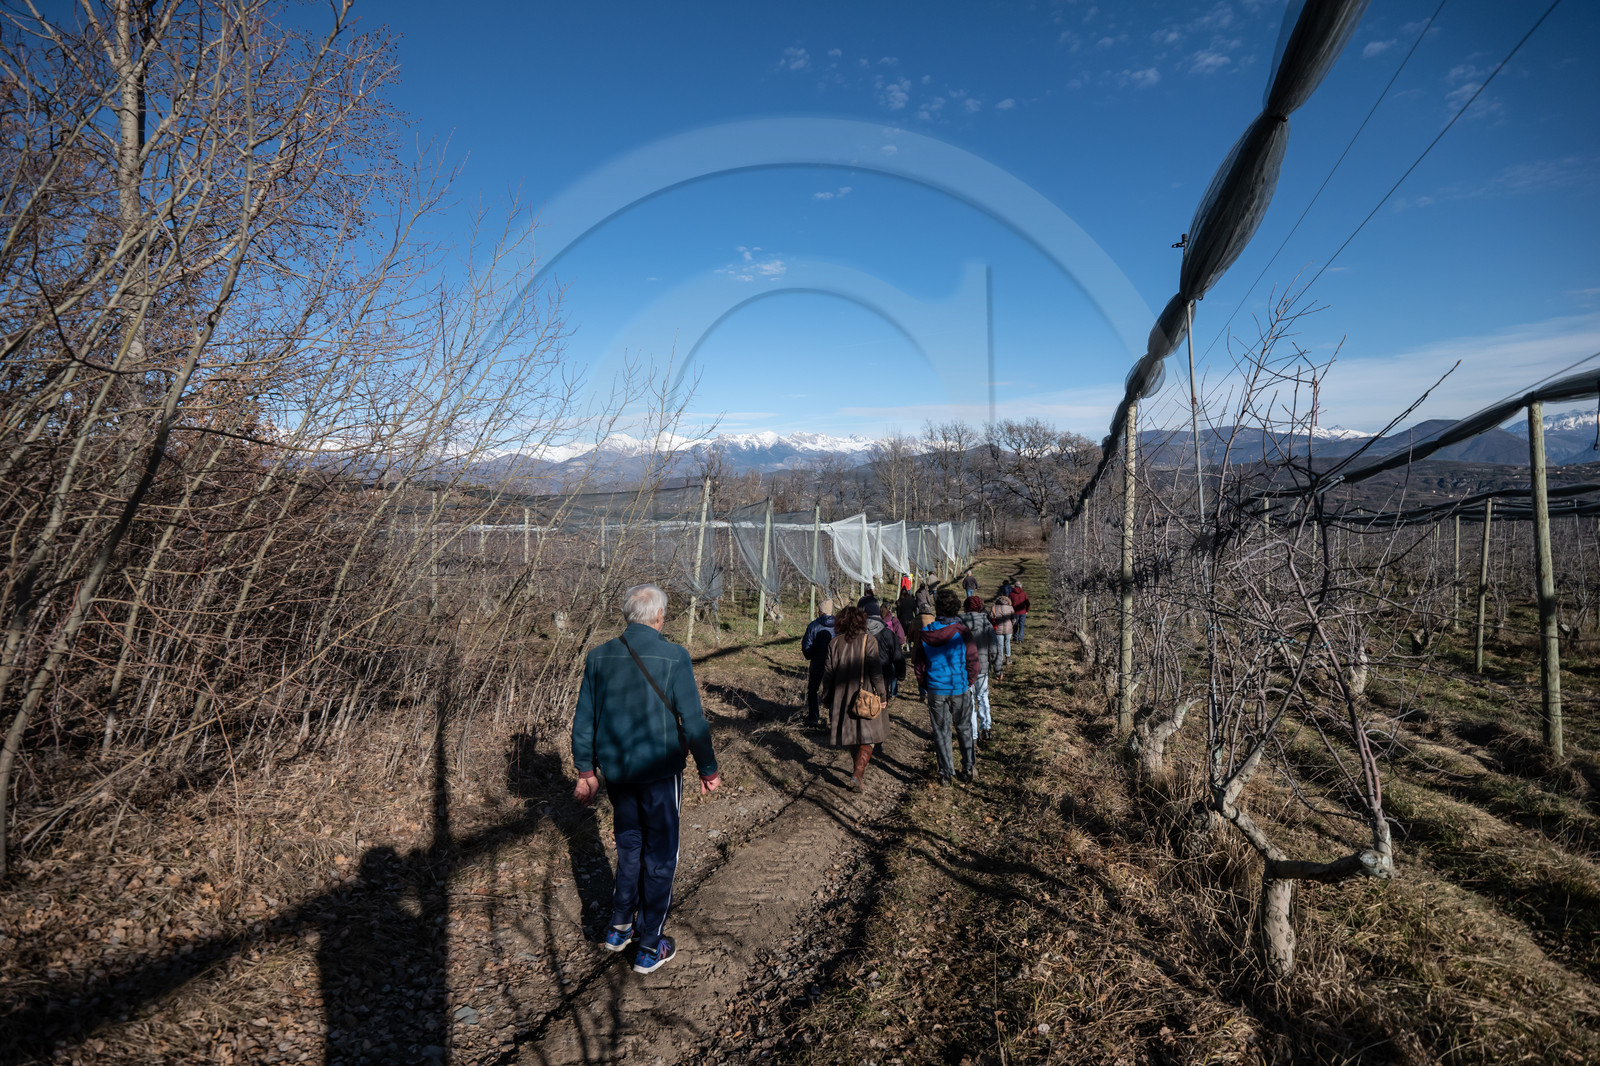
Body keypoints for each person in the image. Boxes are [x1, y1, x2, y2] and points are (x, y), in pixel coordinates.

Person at [571, 583, 721, 975]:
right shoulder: (674, 656)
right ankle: (650, 944)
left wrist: (586, 771)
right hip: (660, 774)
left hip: (618, 773)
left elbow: (584, 719)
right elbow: (694, 720)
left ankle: (619, 927)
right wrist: (708, 768)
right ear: (659, 616)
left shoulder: (598, 657)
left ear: (627, 616)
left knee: (629, 846)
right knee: (660, 856)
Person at [819, 605, 891, 790]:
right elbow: (876, 672)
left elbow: (828, 674)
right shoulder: (869, 640)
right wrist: (882, 695)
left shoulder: (834, 644)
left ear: (841, 622)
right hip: (865, 695)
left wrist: (826, 697)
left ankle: (857, 773)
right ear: (861, 621)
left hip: (841, 697)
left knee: (851, 736)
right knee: (868, 737)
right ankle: (858, 773)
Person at [913, 589, 980, 785]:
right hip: (959, 687)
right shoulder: (962, 632)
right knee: (964, 728)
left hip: (936, 689)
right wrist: (968, 682)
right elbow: (973, 662)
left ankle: (945, 773)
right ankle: (968, 767)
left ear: (938, 608)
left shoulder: (925, 633)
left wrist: (925, 684)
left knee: (941, 731)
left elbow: (919, 665)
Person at [959, 595, 1001, 743]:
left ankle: (973, 733)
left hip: (964, 667)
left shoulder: (959, 622)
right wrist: (997, 668)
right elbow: (994, 648)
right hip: (982, 666)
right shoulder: (985, 622)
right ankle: (986, 727)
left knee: (968, 700)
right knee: (983, 696)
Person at [801, 598, 836, 729]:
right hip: (833, 667)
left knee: (813, 691)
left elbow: (806, 646)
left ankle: (814, 717)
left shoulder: (813, 626)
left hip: (817, 664)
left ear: (820, 611)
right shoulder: (839, 626)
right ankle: (834, 719)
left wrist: (810, 656)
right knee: (833, 692)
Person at [864, 600, 907, 698]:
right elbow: (897, 654)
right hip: (883, 672)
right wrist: (900, 674)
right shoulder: (887, 633)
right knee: (881, 701)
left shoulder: (859, 632)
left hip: (863, 674)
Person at [989, 592, 1015, 673]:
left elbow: (990, 617)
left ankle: (999, 660)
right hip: (1008, 629)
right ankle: (1008, 658)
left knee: (999, 645)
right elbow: (1014, 619)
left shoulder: (994, 607)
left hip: (998, 629)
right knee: (1007, 643)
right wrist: (1011, 625)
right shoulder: (1010, 608)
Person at [895, 580, 919, 648]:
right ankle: (908, 646)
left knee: (902, 633)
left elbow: (898, 612)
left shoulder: (899, 601)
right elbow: (915, 610)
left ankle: (901, 646)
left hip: (902, 619)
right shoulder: (912, 600)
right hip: (911, 618)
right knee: (910, 633)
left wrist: (899, 619)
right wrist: (916, 617)